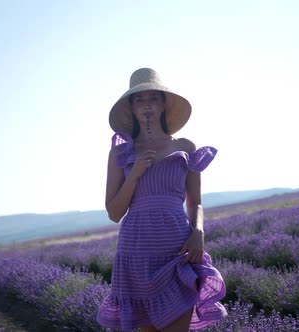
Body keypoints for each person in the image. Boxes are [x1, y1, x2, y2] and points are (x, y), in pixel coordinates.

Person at [97, 68, 227, 331]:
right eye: (139, 99)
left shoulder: (185, 147)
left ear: (163, 104)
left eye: (153, 98)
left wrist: (198, 232)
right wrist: (134, 175)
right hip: (137, 254)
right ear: (131, 108)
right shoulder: (119, 154)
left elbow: (196, 202)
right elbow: (113, 212)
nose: (146, 105)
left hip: (177, 250)